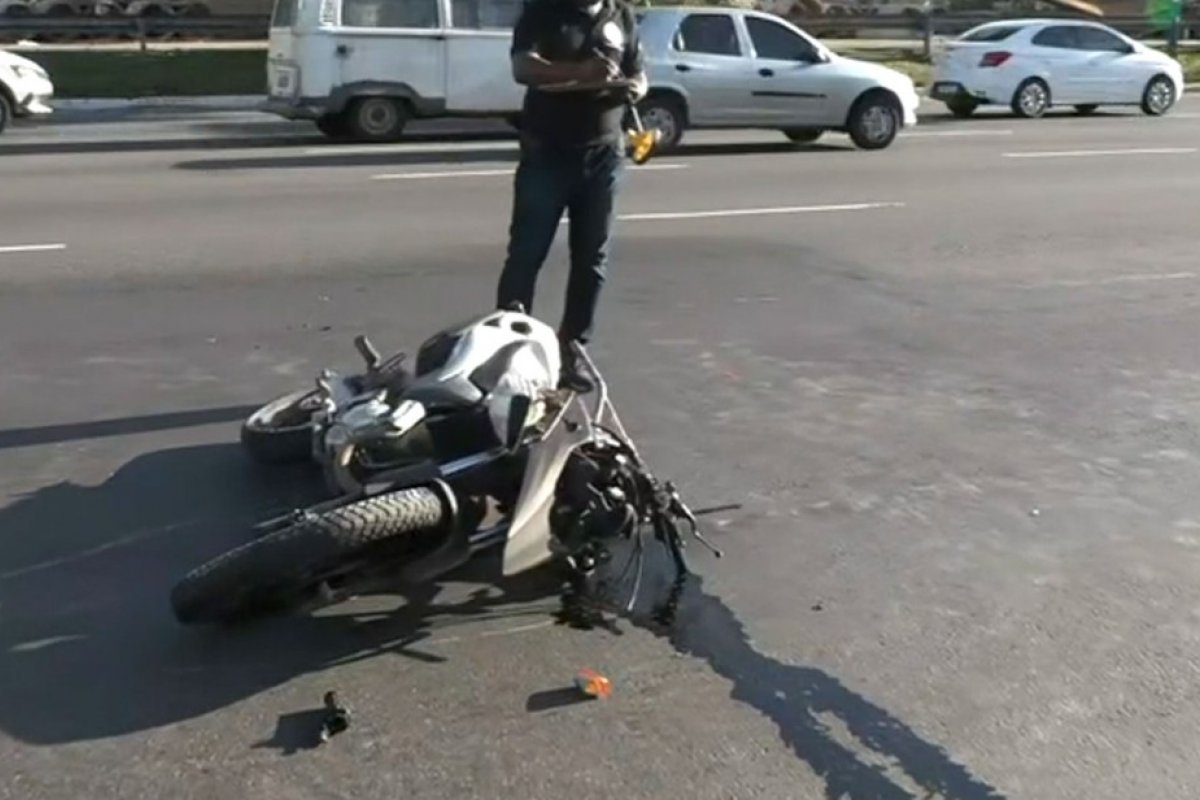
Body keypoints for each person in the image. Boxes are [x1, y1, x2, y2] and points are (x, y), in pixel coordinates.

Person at [495, 0, 648, 393]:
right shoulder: (544, 10)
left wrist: (635, 87)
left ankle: (572, 350)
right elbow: (523, 67)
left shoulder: (621, 14)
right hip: (549, 151)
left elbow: (639, 72)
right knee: (527, 254)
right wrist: (582, 73)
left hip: (604, 156)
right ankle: (509, 351)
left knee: (592, 259)